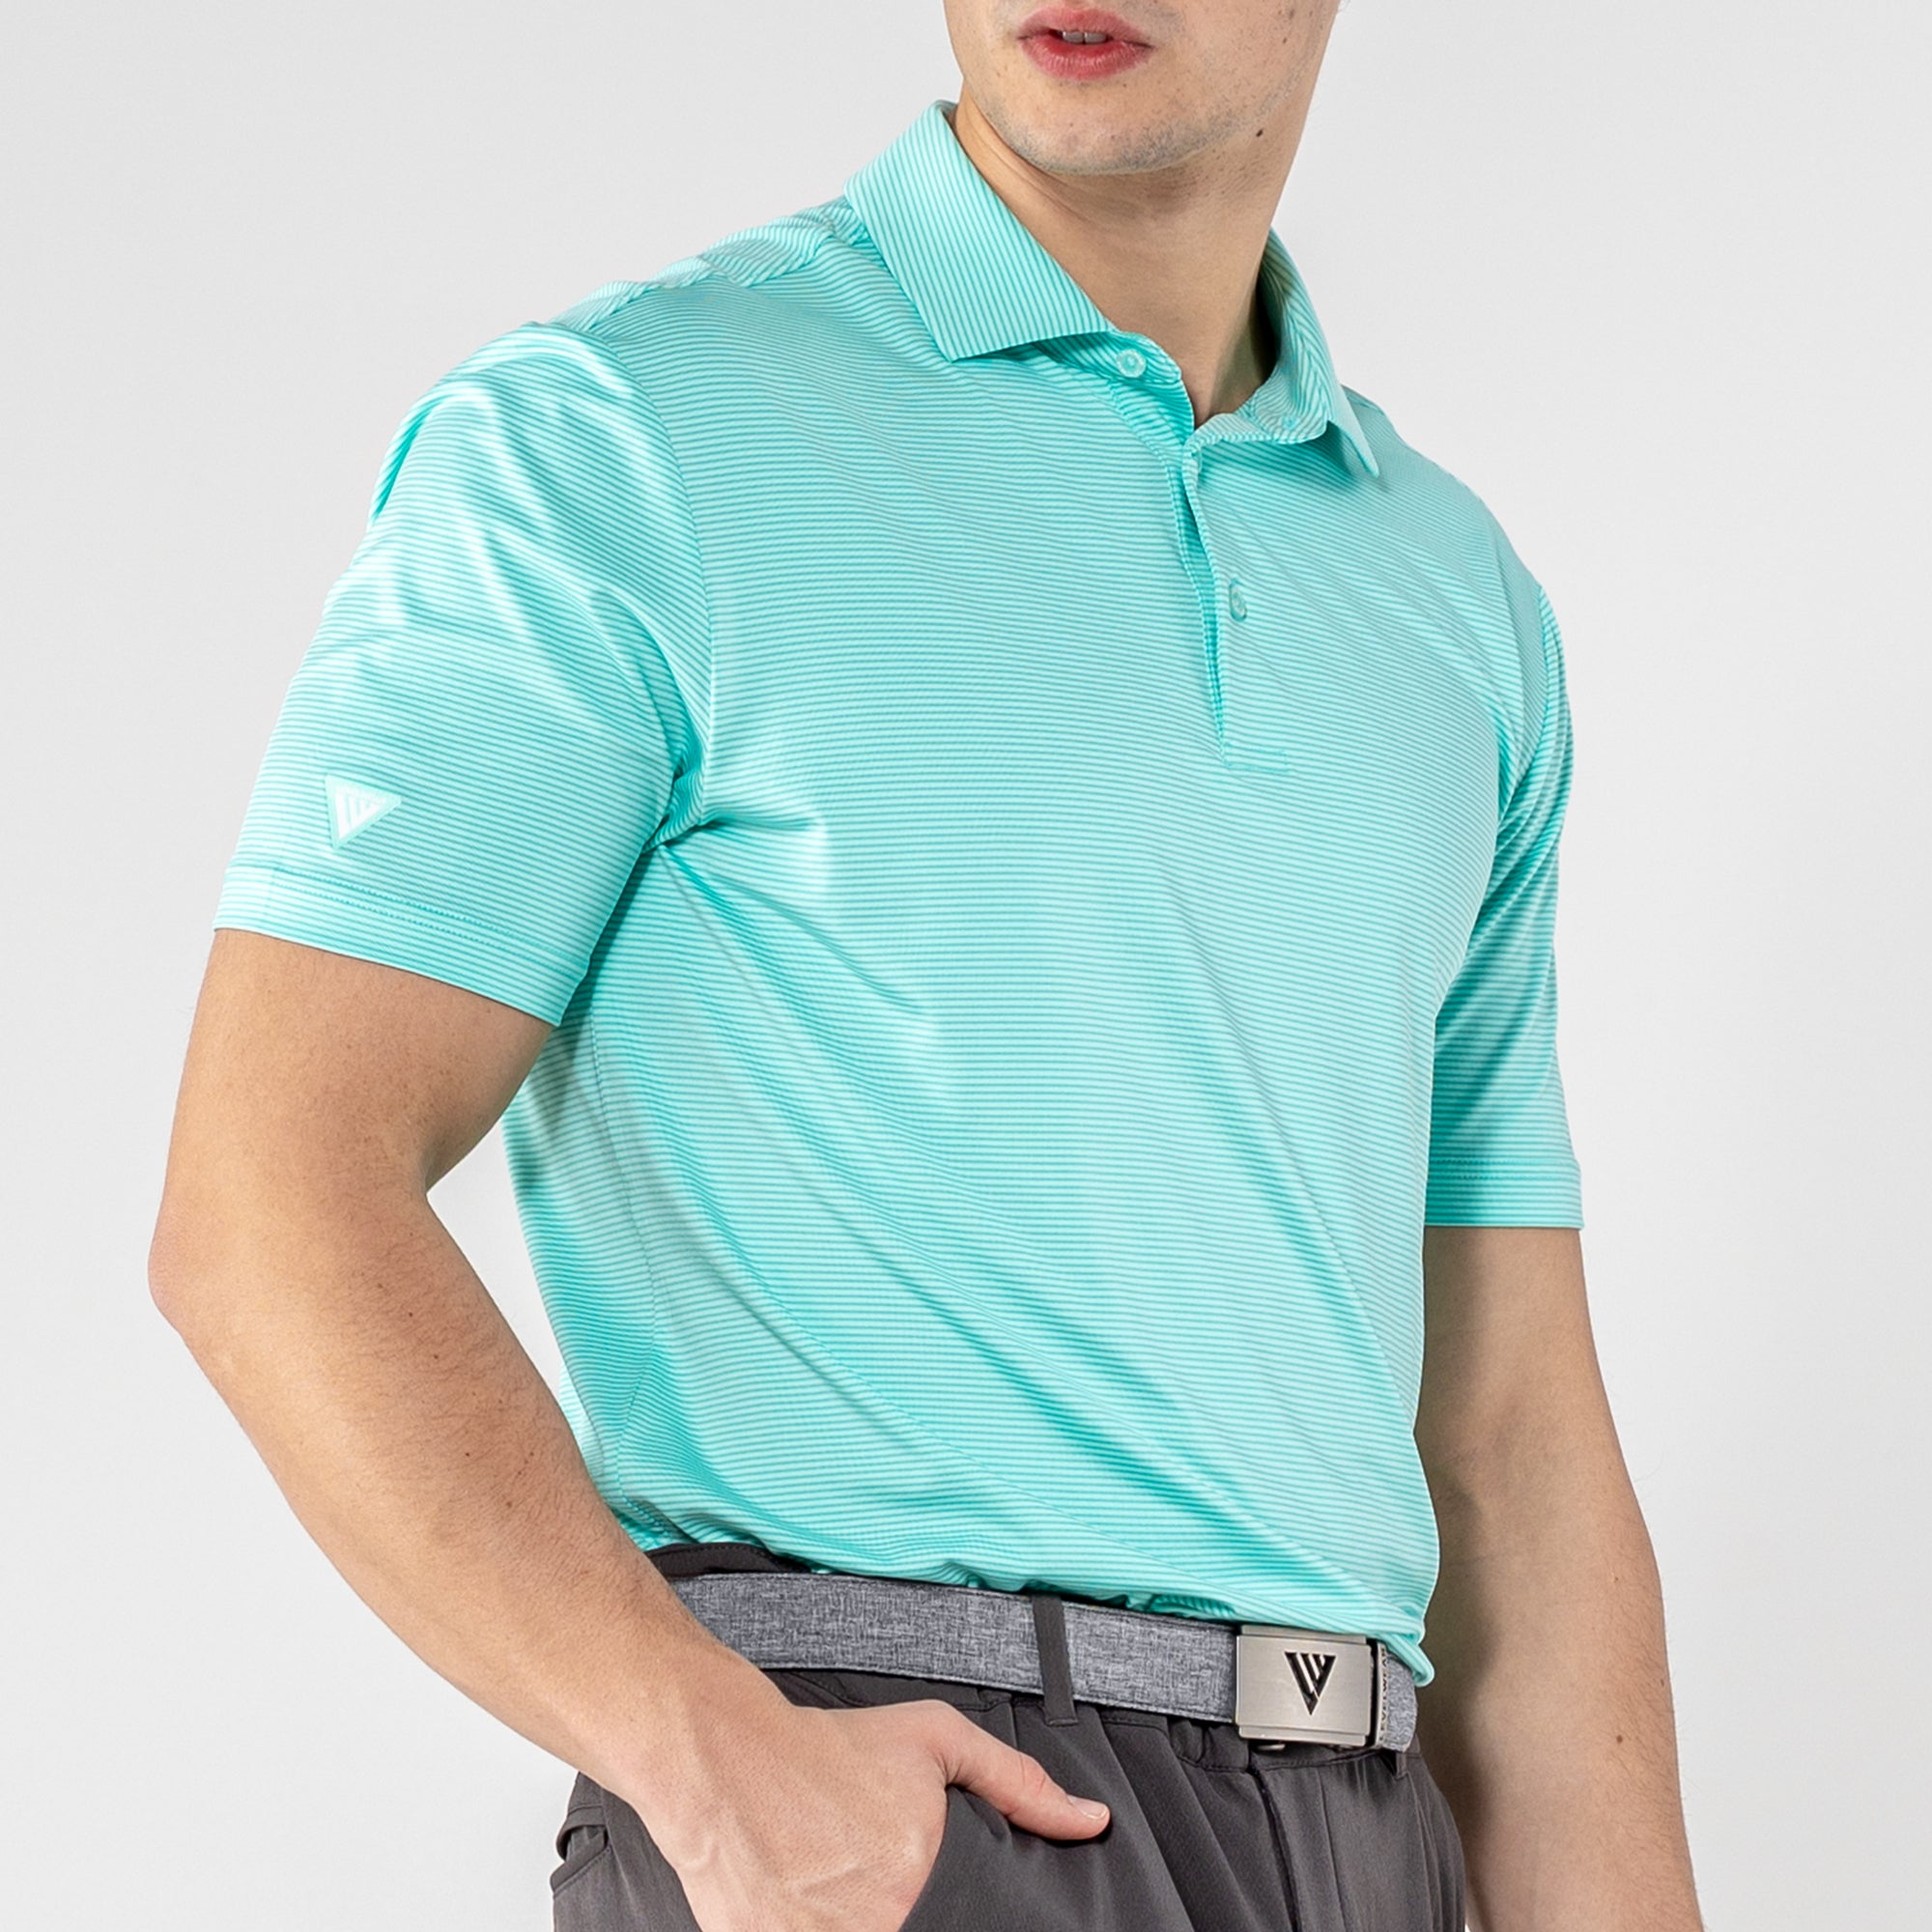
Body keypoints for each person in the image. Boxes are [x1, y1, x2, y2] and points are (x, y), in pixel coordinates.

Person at [149, 4, 1705, 1927]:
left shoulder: (1452, 596)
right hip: (902, 1798)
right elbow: (268, 1199)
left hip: (1367, 1819)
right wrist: (704, 1756)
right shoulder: (619, 434)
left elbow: (1508, 1434)